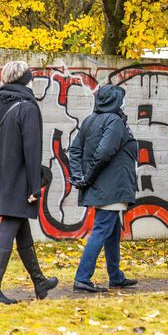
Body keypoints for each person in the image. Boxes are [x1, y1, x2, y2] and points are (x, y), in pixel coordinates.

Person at [69, 85, 139, 292]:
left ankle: (115, 276)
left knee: (112, 231)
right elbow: (104, 152)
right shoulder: (115, 121)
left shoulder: (91, 120)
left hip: (105, 185)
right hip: (112, 186)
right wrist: (86, 177)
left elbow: (75, 150)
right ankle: (82, 278)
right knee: (102, 230)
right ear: (116, 101)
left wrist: (79, 176)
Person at [0, 61, 58, 304]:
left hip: (3, 176)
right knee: (8, 229)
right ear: (25, 80)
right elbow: (31, 149)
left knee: (21, 229)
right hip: (17, 179)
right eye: (31, 77)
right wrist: (35, 185)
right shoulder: (27, 107)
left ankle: (39, 282)